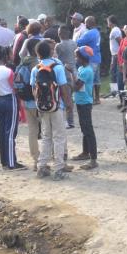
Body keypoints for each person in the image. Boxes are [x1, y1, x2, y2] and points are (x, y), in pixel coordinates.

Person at [31, 40, 72, 178]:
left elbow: (33, 89)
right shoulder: (57, 67)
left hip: (42, 107)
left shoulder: (35, 68)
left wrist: (40, 104)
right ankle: (58, 168)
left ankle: (42, 167)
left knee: (46, 136)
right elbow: (63, 87)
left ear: (37, 54)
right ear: (50, 52)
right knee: (59, 137)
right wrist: (68, 104)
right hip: (57, 106)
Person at [0, 46, 23, 170]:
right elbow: (16, 87)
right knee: (11, 132)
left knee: (2, 131)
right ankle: (12, 163)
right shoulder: (9, 71)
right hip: (10, 99)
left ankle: (4, 161)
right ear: (7, 56)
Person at [72, 46, 99, 169]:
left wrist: (70, 74)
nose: (75, 58)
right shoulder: (82, 68)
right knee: (84, 128)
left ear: (83, 57)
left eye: (77, 56)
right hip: (80, 102)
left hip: (85, 103)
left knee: (88, 130)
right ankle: (85, 152)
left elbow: (77, 86)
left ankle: (93, 160)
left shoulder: (87, 70)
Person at [18, 38, 42, 166]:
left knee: (32, 131)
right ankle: (52, 157)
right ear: (35, 49)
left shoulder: (23, 62)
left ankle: (36, 158)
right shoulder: (36, 64)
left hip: (25, 101)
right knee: (47, 129)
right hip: (36, 102)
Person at [76, 16, 102, 105]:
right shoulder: (97, 32)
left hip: (91, 59)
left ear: (90, 23)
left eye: (86, 22)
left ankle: (89, 98)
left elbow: (78, 42)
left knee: (88, 79)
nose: (85, 24)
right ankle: (97, 98)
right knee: (97, 80)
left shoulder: (89, 33)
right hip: (97, 58)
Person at [56, 25, 78, 128]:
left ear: (60, 34)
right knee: (70, 98)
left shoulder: (58, 46)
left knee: (65, 99)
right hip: (74, 73)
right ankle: (70, 120)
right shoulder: (74, 43)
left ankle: (69, 122)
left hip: (64, 74)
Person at [107, 16, 123, 95]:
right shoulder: (115, 30)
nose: (107, 23)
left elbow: (120, 42)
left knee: (113, 72)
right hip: (115, 54)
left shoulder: (115, 30)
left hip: (116, 54)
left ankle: (114, 91)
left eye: (108, 21)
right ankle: (115, 91)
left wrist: (120, 54)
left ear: (111, 22)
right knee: (114, 72)